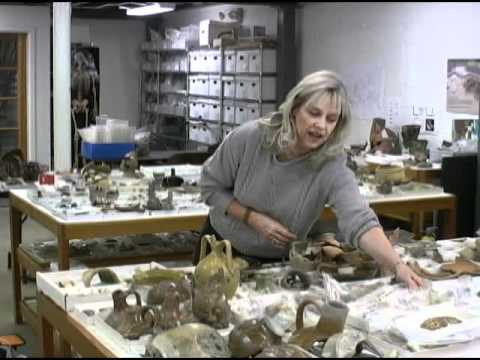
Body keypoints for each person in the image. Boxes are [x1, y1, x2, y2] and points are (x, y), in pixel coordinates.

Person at [197, 70, 424, 289]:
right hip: (220, 249)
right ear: (295, 108)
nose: (321, 125)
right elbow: (209, 187)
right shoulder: (250, 138)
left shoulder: (331, 163)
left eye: (331, 119)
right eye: (314, 113)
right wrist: (252, 218)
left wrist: (397, 265)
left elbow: (359, 220)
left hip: (275, 263)